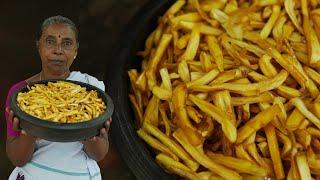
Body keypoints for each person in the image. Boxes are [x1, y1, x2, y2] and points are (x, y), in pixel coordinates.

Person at [5, 15, 111, 180]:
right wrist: (29, 132)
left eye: (67, 43)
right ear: (38, 46)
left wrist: (87, 131)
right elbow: (17, 159)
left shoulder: (92, 93)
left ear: (76, 51)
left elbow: (99, 154)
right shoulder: (20, 94)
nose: (58, 50)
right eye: (50, 41)